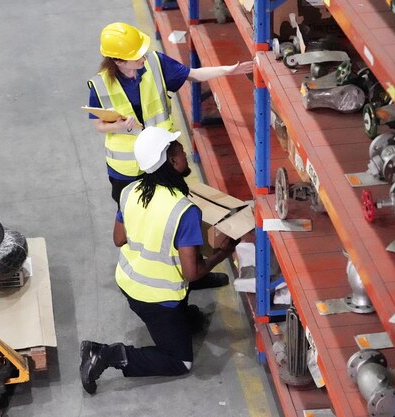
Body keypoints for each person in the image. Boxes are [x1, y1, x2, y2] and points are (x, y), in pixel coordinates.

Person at [79, 126, 239, 395]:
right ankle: (106, 354)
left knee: (185, 314)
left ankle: (181, 319)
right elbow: (191, 273)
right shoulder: (183, 210)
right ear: (172, 161)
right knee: (180, 361)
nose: (184, 152)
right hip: (156, 298)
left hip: (129, 282)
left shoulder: (130, 191)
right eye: (180, 150)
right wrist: (222, 253)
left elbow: (119, 239)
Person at [87, 22, 254, 206]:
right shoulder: (100, 84)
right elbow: (99, 125)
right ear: (118, 61)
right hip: (127, 169)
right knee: (129, 211)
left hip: (161, 160)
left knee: (168, 207)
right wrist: (118, 126)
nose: (143, 57)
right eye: (137, 56)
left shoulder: (155, 63)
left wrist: (227, 70)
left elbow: (194, 74)